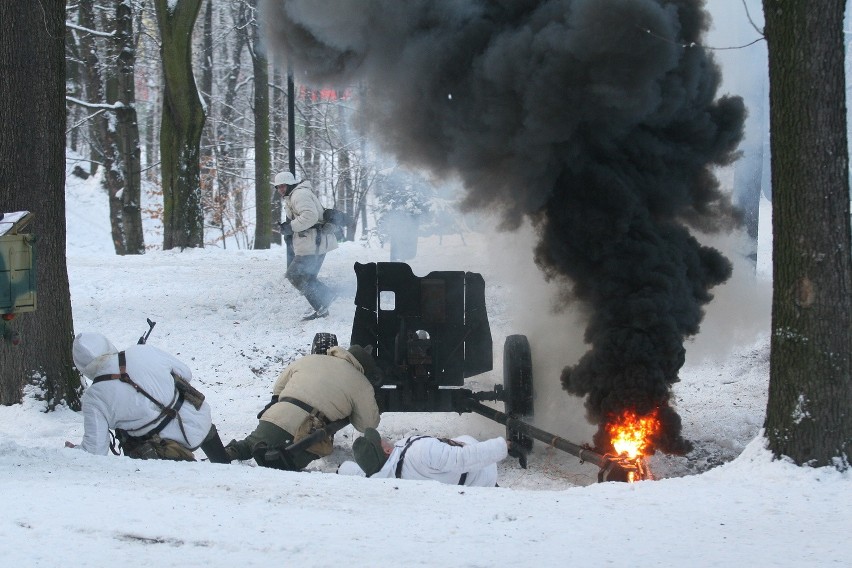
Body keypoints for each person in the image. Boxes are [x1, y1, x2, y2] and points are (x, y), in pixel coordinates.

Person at [65, 332, 230, 464]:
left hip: (163, 451)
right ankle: (224, 466)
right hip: (198, 419)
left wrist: (75, 452)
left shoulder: (94, 397)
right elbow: (186, 373)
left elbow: (95, 450)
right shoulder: (143, 351)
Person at [224, 343, 382, 470]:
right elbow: (367, 425)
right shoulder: (361, 383)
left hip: (276, 415)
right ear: (362, 368)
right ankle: (274, 459)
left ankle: (233, 451)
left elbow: (278, 388)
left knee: (251, 442)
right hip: (307, 432)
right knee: (287, 463)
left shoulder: (310, 359)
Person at [350, 428, 524, 487]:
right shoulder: (419, 451)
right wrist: (504, 447)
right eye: (379, 441)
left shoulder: (380, 476)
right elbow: (463, 459)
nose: (382, 438)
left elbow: (355, 470)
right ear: (386, 451)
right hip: (482, 474)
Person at [274, 170, 338, 321]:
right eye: (278, 187)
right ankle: (323, 305)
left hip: (312, 243)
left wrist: (290, 227)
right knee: (307, 277)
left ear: (290, 185)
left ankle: (325, 299)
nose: (280, 189)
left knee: (294, 275)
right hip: (312, 242)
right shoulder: (295, 195)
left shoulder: (299, 195)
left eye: (283, 186)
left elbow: (310, 216)